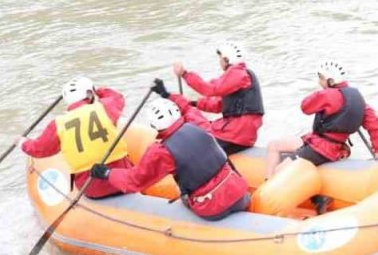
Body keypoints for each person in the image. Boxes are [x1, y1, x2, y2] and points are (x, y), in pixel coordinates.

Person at [90, 97, 251, 221]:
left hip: (212, 208)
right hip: (241, 195)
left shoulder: (161, 151)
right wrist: (168, 94)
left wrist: (107, 173)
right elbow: (190, 111)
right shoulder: (199, 125)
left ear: (154, 126)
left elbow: (134, 181)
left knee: (180, 192)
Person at [264, 60, 378, 178]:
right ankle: (268, 180)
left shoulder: (327, 95)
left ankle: (269, 186)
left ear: (331, 81)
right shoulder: (359, 101)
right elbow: (376, 127)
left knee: (280, 170)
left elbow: (305, 107)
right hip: (318, 141)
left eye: (321, 78)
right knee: (273, 145)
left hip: (322, 149)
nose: (319, 82)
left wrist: (322, 94)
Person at [20, 76, 133, 199]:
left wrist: (22, 142)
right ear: (89, 93)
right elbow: (117, 97)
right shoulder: (104, 107)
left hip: (91, 188)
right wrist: (98, 90)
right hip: (124, 179)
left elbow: (38, 150)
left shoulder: (58, 124)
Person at [170, 43, 264, 154]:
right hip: (240, 134)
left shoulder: (238, 74)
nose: (219, 62)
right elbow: (219, 104)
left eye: (220, 59)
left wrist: (184, 74)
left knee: (195, 145)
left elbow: (210, 89)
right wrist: (193, 103)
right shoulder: (239, 77)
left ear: (226, 59)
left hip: (235, 134)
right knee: (199, 130)